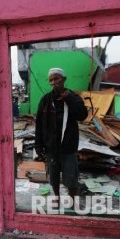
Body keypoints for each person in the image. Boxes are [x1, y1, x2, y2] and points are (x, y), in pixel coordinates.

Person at [35, 67, 88, 207]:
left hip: (68, 148)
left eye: (57, 78)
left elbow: (82, 116)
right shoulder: (46, 100)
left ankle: (71, 202)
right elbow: (39, 123)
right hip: (51, 148)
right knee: (53, 178)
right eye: (51, 80)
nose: (54, 82)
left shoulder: (73, 97)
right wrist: (38, 145)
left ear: (63, 80)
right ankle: (57, 198)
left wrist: (69, 98)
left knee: (71, 178)